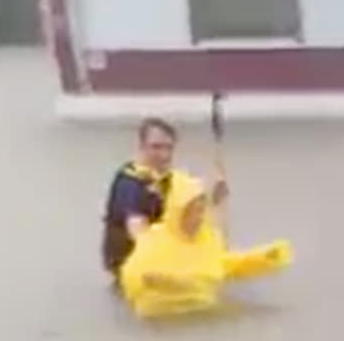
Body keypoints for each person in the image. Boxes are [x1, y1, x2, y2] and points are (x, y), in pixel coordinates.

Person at [118, 172, 291, 319]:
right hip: (164, 320)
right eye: (191, 211)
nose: (197, 217)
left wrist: (263, 259)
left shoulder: (209, 238)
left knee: (262, 316)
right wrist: (166, 284)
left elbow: (223, 266)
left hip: (204, 310)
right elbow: (131, 275)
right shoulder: (154, 239)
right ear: (177, 211)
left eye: (200, 210)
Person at [100, 117, 226, 283]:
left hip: (163, 256)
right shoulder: (129, 184)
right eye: (156, 147)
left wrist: (215, 193)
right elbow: (137, 229)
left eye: (169, 148)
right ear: (141, 146)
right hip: (131, 262)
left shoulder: (170, 179)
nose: (164, 155)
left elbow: (195, 208)